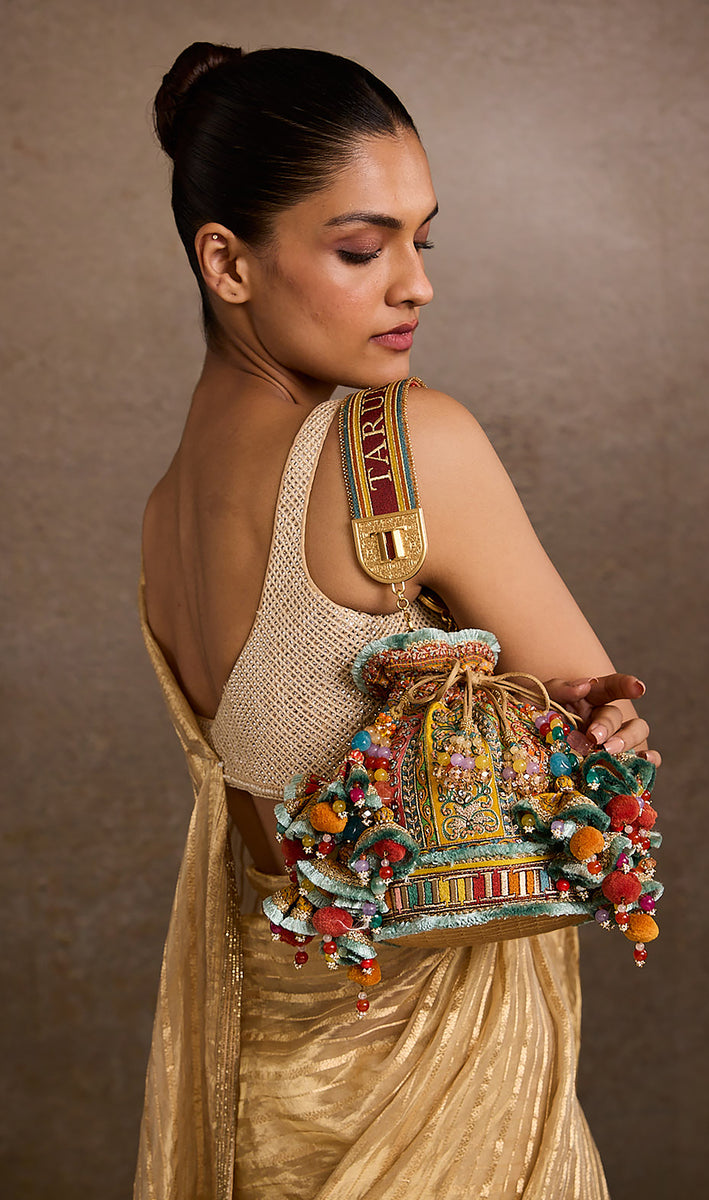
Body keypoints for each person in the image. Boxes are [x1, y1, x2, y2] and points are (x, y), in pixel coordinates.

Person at [136, 42, 658, 1200]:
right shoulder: (404, 447)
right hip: (436, 1090)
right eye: (362, 249)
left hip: (263, 1082)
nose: (415, 285)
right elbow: (598, 748)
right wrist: (593, 724)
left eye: (425, 241)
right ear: (225, 261)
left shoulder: (164, 513)